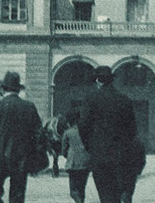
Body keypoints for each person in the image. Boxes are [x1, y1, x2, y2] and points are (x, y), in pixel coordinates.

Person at [79, 66, 145, 203]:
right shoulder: (124, 99)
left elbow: (83, 127)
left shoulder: (90, 99)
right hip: (122, 156)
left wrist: (90, 147)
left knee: (106, 196)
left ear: (98, 80)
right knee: (118, 195)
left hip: (100, 155)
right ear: (112, 80)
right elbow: (133, 130)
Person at [0, 71, 43, 203]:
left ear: (2, 89)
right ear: (18, 90)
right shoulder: (29, 107)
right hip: (21, 159)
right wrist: (36, 159)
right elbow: (39, 135)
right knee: (17, 196)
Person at [61, 110, 90, 203]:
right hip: (86, 163)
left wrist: (68, 156)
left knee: (73, 191)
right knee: (82, 189)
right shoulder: (87, 132)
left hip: (73, 163)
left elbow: (64, 150)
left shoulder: (68, 133)